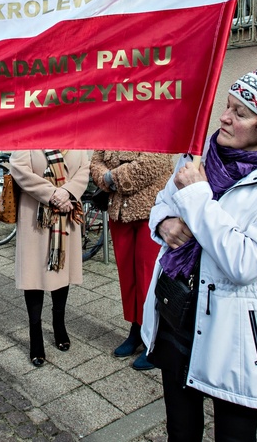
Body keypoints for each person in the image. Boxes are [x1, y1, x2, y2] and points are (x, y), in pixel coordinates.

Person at [140, 63, 257, 441]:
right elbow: (161, 203)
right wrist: (163, 224)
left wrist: (196, 198)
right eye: (227, 105)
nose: (223, 117)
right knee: (180, 430)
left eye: (240, 113)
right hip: (177, 314)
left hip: (234, 335)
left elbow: (246, 262)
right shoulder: (199, 158)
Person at [89, 151, 172, 370]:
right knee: (128, 278)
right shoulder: (112, 123)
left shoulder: (153, 122)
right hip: (119, 213)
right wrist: (105, 176)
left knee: (148, 278)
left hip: (150, 212)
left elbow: (155, 161)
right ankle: (135, 330)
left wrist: (111, 177)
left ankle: (154, 340)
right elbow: (96, 161)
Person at [10, 150, 90, 367]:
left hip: (66, 213)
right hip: (35, 216)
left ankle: (59, 323)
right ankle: (35, 332)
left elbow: (84, 170)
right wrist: (54, 195)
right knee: (33, 276)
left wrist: (68, 192)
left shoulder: (75, 136)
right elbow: (19, 169)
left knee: (61, 270)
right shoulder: (29, 132)